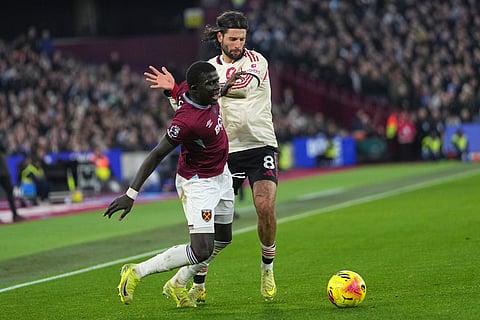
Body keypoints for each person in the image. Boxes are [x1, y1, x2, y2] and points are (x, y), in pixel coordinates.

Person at [151, 10, 279, 302]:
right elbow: (189, 110)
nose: (238, 44)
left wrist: (205, 91)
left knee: (264, 204)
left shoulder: (258, 61)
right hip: (224, 153)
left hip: (260, 144)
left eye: (242, 38)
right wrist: (174, 92)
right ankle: (195, 283)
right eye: (233, 39)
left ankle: (267, 267)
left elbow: (244, 89)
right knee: (217, 230)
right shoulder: (207, 68)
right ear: (220, 37)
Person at [104, 61, 242, 308]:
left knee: (223, 239)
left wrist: (174, 90)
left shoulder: (198, 91)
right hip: (199, 183)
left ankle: (177, 283)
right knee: (201, 249)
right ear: (197, 88)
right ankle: (137, 271)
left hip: (222, 175)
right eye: (211, 84)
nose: (217, 87)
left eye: (216, 81)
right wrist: (130, 194)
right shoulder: (186, 122)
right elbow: (156, 154)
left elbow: (186, 94)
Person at [0, 131, 23, 223]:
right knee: (9, 191)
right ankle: (15, 214)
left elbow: (4, 149)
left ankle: (15, 214)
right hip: (2, 170)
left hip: (3, 170)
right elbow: (4, 148)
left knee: (10, 191)